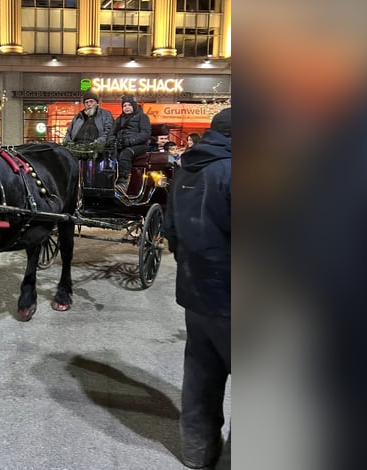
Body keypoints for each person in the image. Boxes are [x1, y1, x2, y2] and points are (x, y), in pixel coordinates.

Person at [162, 108, 231, 469]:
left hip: (196, 294)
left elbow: (171, 232)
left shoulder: (187, 169)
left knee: (201, 376)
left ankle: (197, 452)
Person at [111, 94, 152, 195]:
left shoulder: (143, 117)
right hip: (122, 144)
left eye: (129, 105)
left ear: (134, 105)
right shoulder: (119, 119)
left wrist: (130, 141)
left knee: (125, 154)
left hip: (139, 145)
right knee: (109, 154)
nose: (127, 107)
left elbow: (145, 134)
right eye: (124, 106)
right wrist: (113, 141)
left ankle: (124, 182)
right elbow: (111, 133)